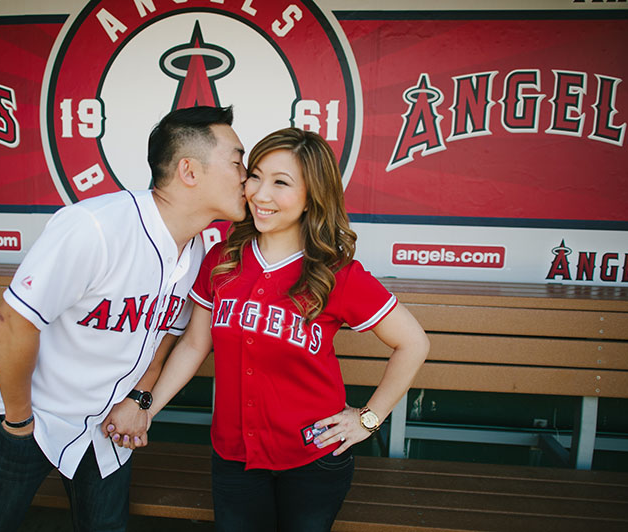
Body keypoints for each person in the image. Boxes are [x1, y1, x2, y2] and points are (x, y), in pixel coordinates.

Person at [125, 127, 429, 531]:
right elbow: (194, 345)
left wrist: (369, 419)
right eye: (255, 176)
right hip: (233, 454)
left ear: (311, 198)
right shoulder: (222, 259)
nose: (259, 194)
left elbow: (413, 343)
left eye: (281, 183)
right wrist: (146, 407)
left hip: (313, 457)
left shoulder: (335, 273)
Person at [0, 105, 248, 532]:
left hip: (106, 431)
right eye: (237, 161)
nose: (247, 175)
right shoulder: (96, 227)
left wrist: (141, 397)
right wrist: (18, 421)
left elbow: (163, 338)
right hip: (34, 419)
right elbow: (14, 322)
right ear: (189, 170)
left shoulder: (194, 250)